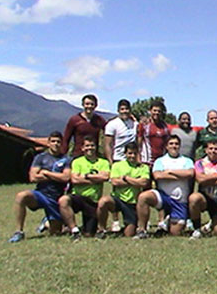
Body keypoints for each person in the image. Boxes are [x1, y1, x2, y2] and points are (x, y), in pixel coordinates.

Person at [8, 132, 71, 243]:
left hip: (56, 198)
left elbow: (66, 177)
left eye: (58, 142)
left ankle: (46, 223)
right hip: (40, 194)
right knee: (21, 196)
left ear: (62, 144)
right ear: (48, 143)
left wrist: (46, 173)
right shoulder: (40, 158)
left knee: (55, 232)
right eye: (53, 141)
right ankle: (18, 232)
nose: (55, 144)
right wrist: (56, 176)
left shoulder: (66, 159)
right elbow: (33, 177)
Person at [135, 135, 195, 238]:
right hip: (163, 197)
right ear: (166, 146)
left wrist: (170, 171)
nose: (174, 146)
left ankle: (167, 222)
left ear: (180, 146)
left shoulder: (187, 161)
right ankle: (142, 230)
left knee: (175, 233)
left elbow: (190, 174)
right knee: (143, 197)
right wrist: (180, 176)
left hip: (180, 201)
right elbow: (158, 176)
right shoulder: (160, 161)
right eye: (171, 144)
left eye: (176, 144)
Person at [58, 135, 110, 240]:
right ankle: (74, 230)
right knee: (63, 200)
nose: (89, 148)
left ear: (96, 147)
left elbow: (105, 177)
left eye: (92, 145)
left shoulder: (103, 162)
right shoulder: (77, 162)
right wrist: (95, 178)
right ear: (82, 148)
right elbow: (75, 180)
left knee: (89, 234)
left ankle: (85, 228)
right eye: (87, 146)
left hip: (93, 200)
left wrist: (85, 176)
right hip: (78, 197)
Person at [96, 142, 150, 238]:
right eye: (130, 153)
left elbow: (144, 183)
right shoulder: (117, 165)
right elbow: (115, 182)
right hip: (118, 199)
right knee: (103, 201)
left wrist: (126, 178)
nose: (132, 156)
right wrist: (135, 181)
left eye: (135, 153)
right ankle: (101, 229)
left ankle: (128, 228)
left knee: (129, 234)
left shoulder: (143, 167)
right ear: (125, 154)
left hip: (132, 202)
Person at [104, 98, 138, 232]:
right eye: (122, 109)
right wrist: (110, 161)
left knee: (133, 188)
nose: (124, 111)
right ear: (118, 110)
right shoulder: (112, 124)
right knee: (117, 190)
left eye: (127, 109)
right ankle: (115, 220)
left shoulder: (134, 124)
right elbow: (107, 144)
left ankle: (133, 217)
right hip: (118, 159)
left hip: (132, 159)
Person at [187, 141, 217, 238]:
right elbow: (200, 179)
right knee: (193, 198)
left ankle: (211, 224)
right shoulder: (199, 163)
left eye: (216, 149)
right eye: (211, 148)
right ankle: (197, 229)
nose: (213, 151)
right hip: (205, 198)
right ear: (206, 150)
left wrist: (208, 179)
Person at [137, 100, 170, 168]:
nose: (156, 113)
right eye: (154, 110)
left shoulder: (165, 126)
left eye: (159, 111)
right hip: (146, 161)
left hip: (161, 161)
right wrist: (138, 158)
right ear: (150, 111)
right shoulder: (144, 125)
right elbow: (139, 143)